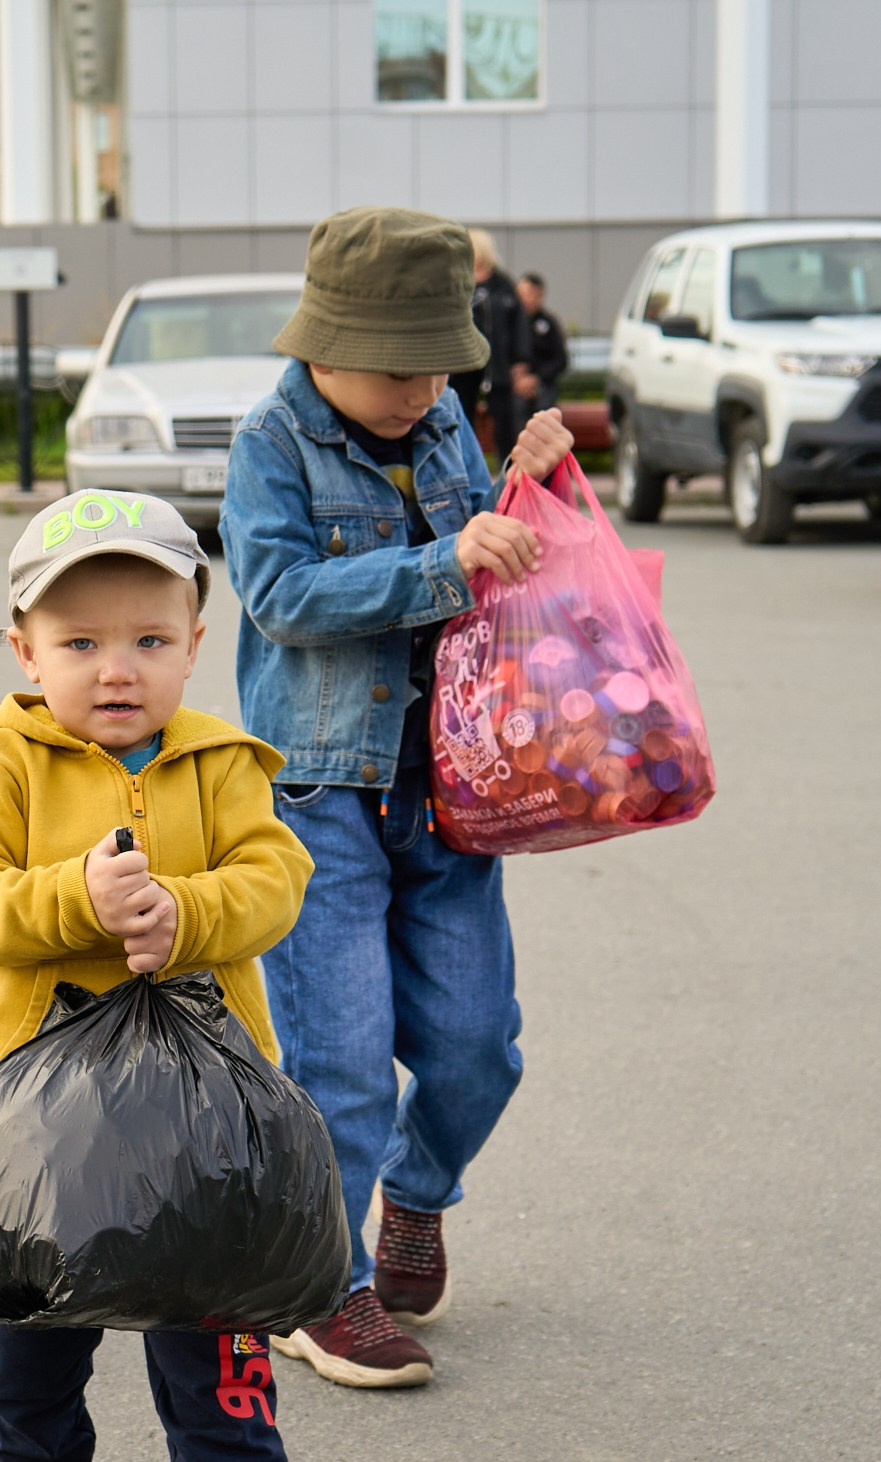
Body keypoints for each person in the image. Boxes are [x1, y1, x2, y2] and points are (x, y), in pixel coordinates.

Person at [0, 490, 358, 1462]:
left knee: (224, 1332)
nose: (119, 669)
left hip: (204, 1130)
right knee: (27, 1330)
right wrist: (74, 898)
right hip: (42, 1129)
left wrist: (185, 913)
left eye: (151, 640)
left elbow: (276, 876)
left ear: (196, 644)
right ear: (24, 649)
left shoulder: (222, 761)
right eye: (81, 642)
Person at [220, 207, 576, 1391]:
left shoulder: (437, 425)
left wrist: (524, 493)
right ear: (323, 339)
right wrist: (444, 560)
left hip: (448, 787)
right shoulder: (270, 439)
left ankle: (415, 1202)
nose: (419, 388)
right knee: (345, 1063)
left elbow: (490, 569)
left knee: (480, 1046)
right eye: (394, 365)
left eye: (438, 366)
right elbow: (277, 593)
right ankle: (319, 1287)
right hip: (320, 791)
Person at [463, 228, 529, 461]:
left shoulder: (503, 286)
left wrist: (520, 362)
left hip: (498, 365)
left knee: (504, 422)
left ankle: (509, 472)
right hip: (464, 365)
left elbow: (519, 326)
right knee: (462, 418)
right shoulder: (460, 283)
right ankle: (464, 469)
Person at [514, 272, 570, 416]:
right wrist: (517, 379)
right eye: (526, 294)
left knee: (546, 411)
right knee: (514, 409)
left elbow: (561, 360)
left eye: (535, 295)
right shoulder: (508, 323)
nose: (529, 299)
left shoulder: (549, 323)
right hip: (514, 385)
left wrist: (536, 378)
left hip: (543, 384)